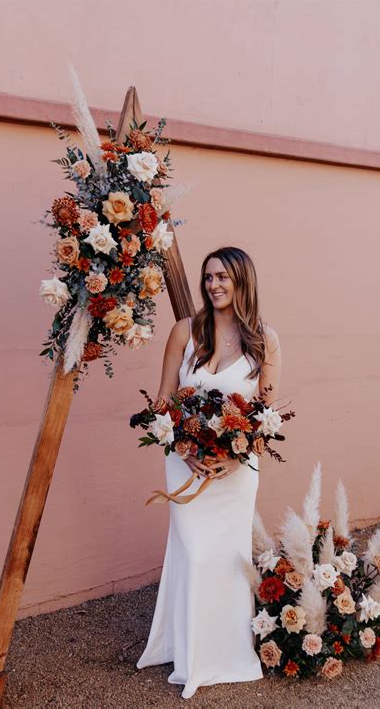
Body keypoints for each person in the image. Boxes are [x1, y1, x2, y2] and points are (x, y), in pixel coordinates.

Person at [136, 246, 281, 699]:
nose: (214, 285)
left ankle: (225, 652)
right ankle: (189, 651)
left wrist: (236, 456)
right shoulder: (185, 331)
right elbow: (161, 404)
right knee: (194, 553)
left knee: (225, 558)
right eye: (208, 278)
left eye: (223, 277)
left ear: (242, 281)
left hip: (234, 473)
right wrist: (182, 444)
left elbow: (266, 417)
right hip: (184, 465)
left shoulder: (265, 341)